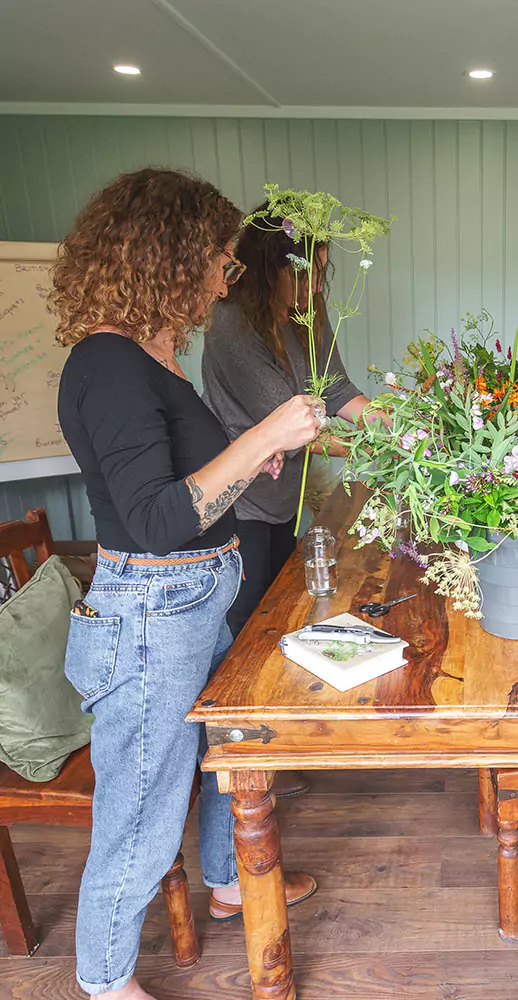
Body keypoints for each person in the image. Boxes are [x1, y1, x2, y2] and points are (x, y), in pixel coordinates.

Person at [54, 169, 321, 1000]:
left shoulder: (151, 357)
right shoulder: (106, 365)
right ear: (165, 256)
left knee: (222, 752)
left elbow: (187, 488)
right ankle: (104, 982)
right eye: (216, 259)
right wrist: (264, 437)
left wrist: (248, 462)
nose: (224, 277)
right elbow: (160, 518)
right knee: (139, 812)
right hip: (150, 615)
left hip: (194, 595)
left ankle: (231, 883)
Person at [201, 206, 368, 641]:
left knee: (284, 611)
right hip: (241, 503)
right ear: (264, 267)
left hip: (283, 496)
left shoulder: (307, 309)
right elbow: (292, 424)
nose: (313, 285)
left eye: (320, 272)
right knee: (251, 627)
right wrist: (381, 448)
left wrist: (394, 425)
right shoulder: (232, 324)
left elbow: (335, 388)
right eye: (299, 273)